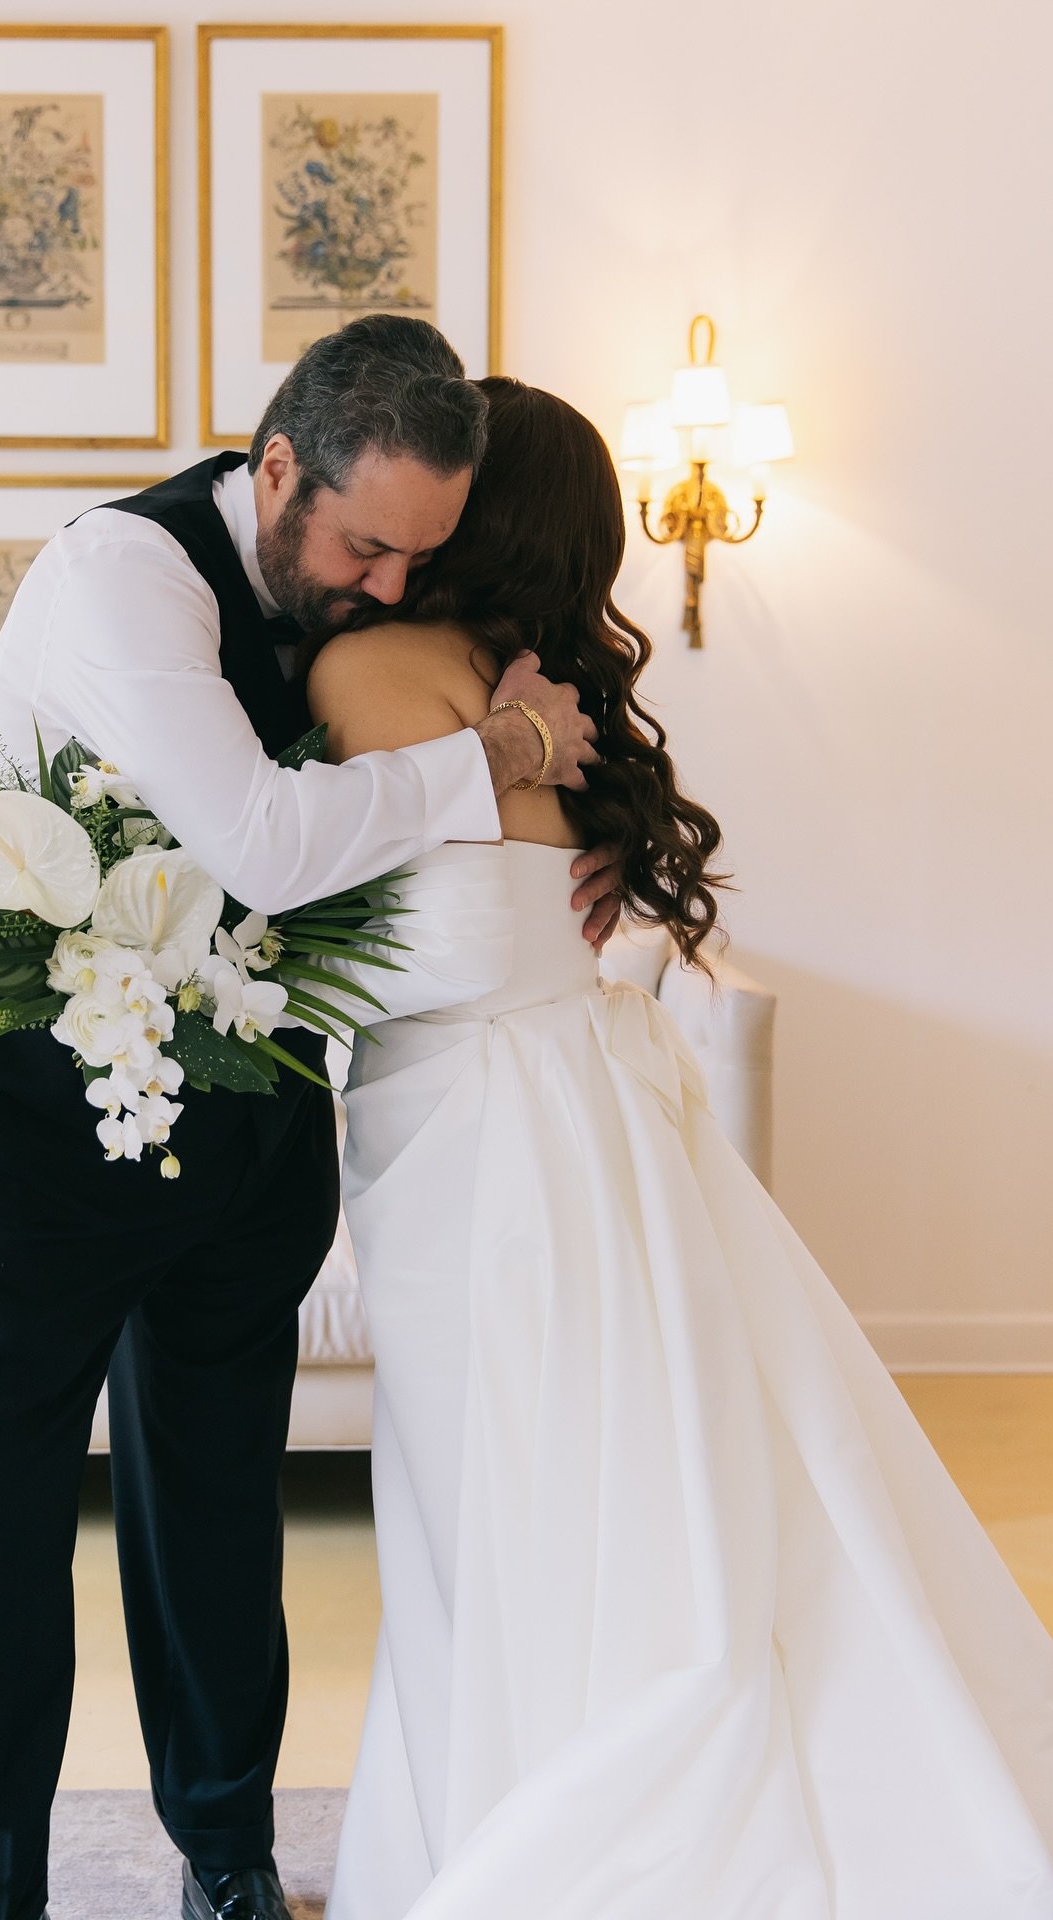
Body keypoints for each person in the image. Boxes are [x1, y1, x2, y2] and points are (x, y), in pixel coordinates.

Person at [306, 377, 1053, 1919]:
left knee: (488, 1503)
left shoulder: (374, 667)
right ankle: (490, 1802)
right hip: (567, 1112)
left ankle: (500, 1822)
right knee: (588, 1489)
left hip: (484, 1142)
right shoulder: (530, 693)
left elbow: (355, 906)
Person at [0, 319, 617, 1920]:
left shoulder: (366, 598)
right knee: (5, 1511)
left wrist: (570, 850)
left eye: (421, 557)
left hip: (255, 1111)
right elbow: (265, 841)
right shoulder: (125, 574)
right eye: (369, 548)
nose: (388, 586)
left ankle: (226, 1863)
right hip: (35, 1114)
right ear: (280, 465)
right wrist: (493, 756)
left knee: (221, 1498)